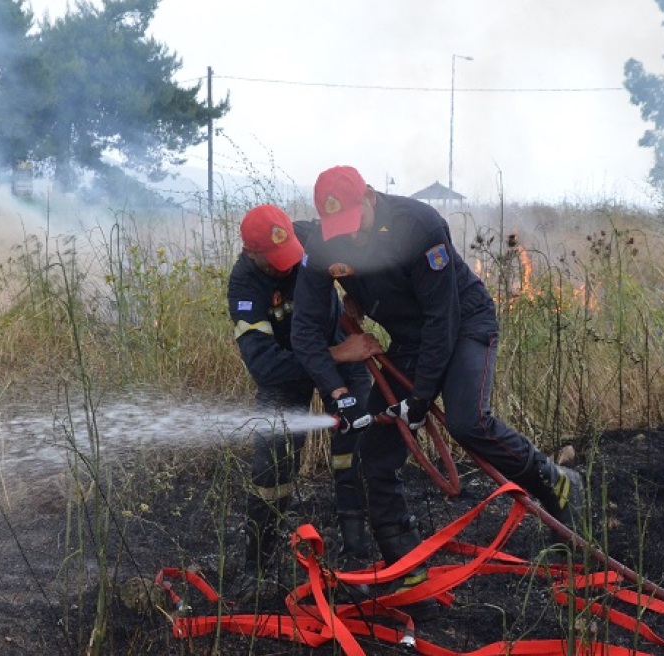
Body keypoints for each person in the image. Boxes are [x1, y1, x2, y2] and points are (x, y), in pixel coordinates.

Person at [291, 165, 584, 616]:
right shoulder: (321, 246)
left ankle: (556, 485)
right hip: (410, 339)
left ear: (370, 196)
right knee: (375, 454)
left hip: (463, 324)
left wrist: (420, 400)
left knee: (469, 422)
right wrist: (339, 396)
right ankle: (407, 574)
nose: (348, 238)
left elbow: (441, 318)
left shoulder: (419, 225)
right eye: (338, 230)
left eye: (353, 223)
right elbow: (306, 332)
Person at [227, 203, 381, 604]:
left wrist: (359, 294)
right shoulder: (244, 287)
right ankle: (256, 572)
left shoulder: (313, 234)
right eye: (277, 262)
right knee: (271, 465)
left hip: (339, 349)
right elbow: (264, 367)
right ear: (252, 254)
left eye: (292, 254)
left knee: (354, 451)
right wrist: (338, 355)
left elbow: (363, 253)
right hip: (292, 369)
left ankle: (358, 563)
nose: (288, 265)